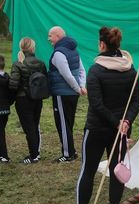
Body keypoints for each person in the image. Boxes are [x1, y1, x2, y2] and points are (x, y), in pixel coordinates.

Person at [72, 26, 139, 204]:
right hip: (119, 130)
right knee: (116, 169)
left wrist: (122, 122)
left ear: (102, 44)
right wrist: (125, 122)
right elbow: (138, 101)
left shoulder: (96, 70)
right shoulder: (130, 69)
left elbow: (96, 103)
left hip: (97, 128)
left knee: (88, 169)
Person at [48, 26, 87, 162]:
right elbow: (82, 70)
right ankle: (72, 151)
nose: (49, 39)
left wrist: (78, 88)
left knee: (62, 123)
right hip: (72, 94)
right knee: (68, 122)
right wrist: (81, 86)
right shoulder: (74, 50)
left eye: (50, 35)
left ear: (58, 36)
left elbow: (67, 75)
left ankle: (67, 154)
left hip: (62, 94)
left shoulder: (59, 53)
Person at [9, 37, 48, 164]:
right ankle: (36, 153)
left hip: (23, 99)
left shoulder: (18, 63)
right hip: (37, 98)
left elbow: (13, 85)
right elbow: (44, 80)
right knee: (35, 125)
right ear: (33, 47)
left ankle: (33, 155)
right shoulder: (41, 63)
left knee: (29, 128)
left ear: (21, 47)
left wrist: (10, 99)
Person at [0, 55, 13, 163]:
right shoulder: (8, 77)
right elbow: (12, 93)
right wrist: (9, 103)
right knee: (0, 131)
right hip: (5, 110)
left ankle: (4, 156)